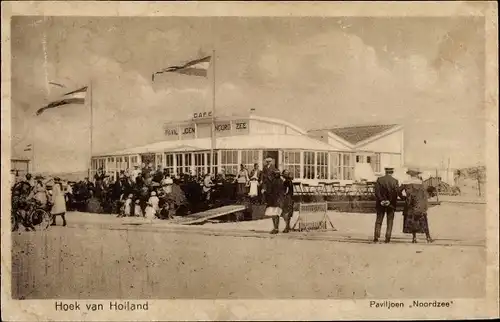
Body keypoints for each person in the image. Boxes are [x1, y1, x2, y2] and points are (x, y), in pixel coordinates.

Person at [399, 168, 434, 244]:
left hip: (410, 205)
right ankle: (428, 237)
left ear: (410, 174)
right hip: (419, 205)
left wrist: (403, 198)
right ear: (417, 174)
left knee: (413, 221)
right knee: (424, 221)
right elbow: (425, 195)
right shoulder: (421, 183)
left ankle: (414, 238)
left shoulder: (406, 182)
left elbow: (398, 191)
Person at [373, 167, 399, 243]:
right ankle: (387, 238)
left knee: (378, 220)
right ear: (392, 172)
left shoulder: (379, 180)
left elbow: (376, 192)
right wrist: (389, 201)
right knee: (390, 221)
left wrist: (381, 200)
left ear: (385, 172)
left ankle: (376, 237)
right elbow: (395, 194)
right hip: (391, 204)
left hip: (380, 204)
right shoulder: (395, 181)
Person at [264, 169, 285, 234]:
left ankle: (276, 228)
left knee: (274, 215)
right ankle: (276, 228)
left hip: (274, 200)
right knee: (276, 215)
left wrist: (265, 192)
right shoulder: (281, 181)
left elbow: (270, 191)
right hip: (277, 200)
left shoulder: (273, 181)